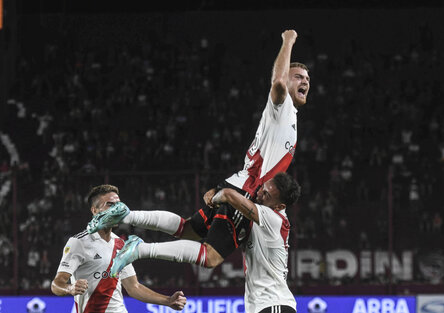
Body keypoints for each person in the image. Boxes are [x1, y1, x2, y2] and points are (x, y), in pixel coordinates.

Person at [87, 29, 309, 269]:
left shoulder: (289, 117)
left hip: (238, 182)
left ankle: (125, 215)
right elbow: (277, 82)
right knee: (211, 256)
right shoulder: (283, 108)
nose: (305, 81)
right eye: (298, 76)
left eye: (307, 78)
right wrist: (288, 41)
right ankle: (139, 248)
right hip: (246, 192)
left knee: (188, 230)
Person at [115, 172, 301, 313]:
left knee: (207, 253)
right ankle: (128, 220)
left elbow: (228, 194)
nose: (259, 194)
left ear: (280, 207)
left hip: (275, 304)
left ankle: (138, 244)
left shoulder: (274, 219)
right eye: (262, 188)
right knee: (188, 230)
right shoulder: (263, 209)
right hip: (262, 305)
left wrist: (215, 196)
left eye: (267, 195)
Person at [51, 184, 187, 313]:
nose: (117, 210)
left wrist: (168, 301)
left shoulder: (121, 244)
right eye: (110, 204)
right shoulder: (79, 242)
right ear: (94, 210)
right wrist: (71, 288)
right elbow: (56, 284)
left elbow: (134, 287)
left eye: (118, 204)